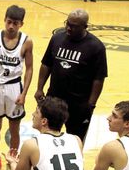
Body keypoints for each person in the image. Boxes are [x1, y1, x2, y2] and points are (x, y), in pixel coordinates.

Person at [35, 9, 107, 142]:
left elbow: (99, 79)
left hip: (79, 104)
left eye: (73, 26)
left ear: (85, 26)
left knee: (76, 140)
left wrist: (91, 105)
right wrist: (40, 88)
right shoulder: (57, 38)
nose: (68, 28)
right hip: (54, 100)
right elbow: (46, 64)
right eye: (67, 23)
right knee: (47, 137)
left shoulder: (96, 47)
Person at [0, 5, 33, 170]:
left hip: (14, 88)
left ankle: (13, 159)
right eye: (9, 22)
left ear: (21, 24)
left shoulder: (27, 41)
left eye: (15, 23)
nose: (11, 26)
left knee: (14, 128)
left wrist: (24, 94)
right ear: (4, 20)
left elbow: (30, 68)